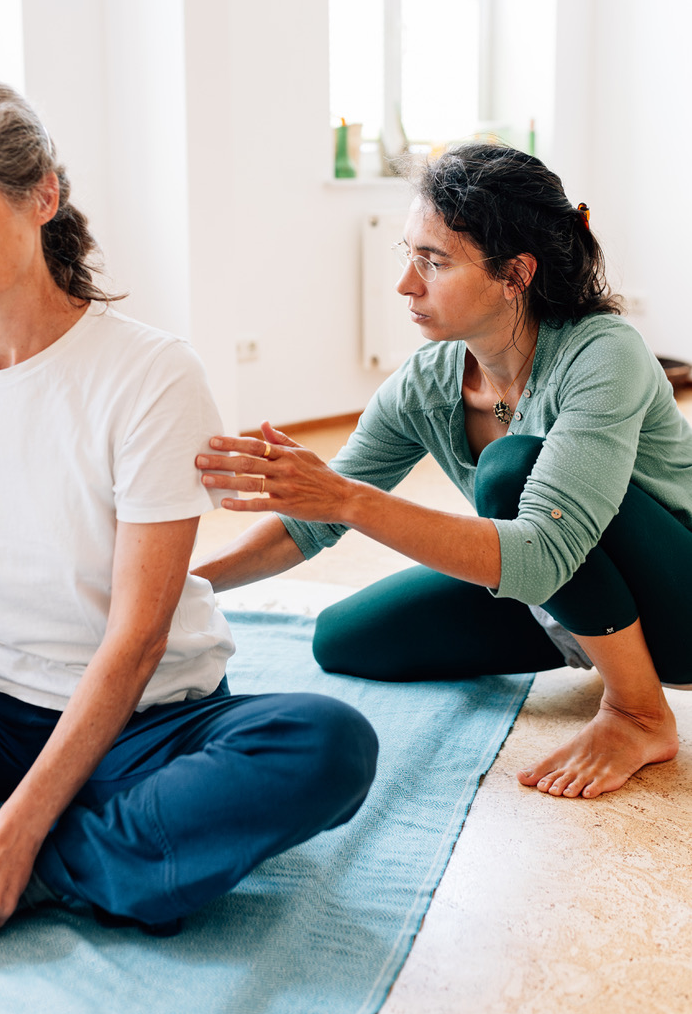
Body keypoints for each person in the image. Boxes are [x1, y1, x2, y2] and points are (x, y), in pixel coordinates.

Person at [0, 76, 378, 961]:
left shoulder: (151, 375)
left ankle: (33, 869)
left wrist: (13, 835)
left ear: (41, 195)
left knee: (326, 745)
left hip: (147, 726)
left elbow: (134, 642)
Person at [193, 142, 692, 801]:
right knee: (343, 639)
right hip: (558, 591)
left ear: (514, 274)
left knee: (508, 470)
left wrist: (348, 500)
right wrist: (174, 590)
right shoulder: (430, 382)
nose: (405, 284)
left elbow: (541, 555)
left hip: (677, 602)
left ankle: (637, 712)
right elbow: (306, 526)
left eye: (432, 261)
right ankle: (592, 640)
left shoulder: (603, 353)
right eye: (408, 255)